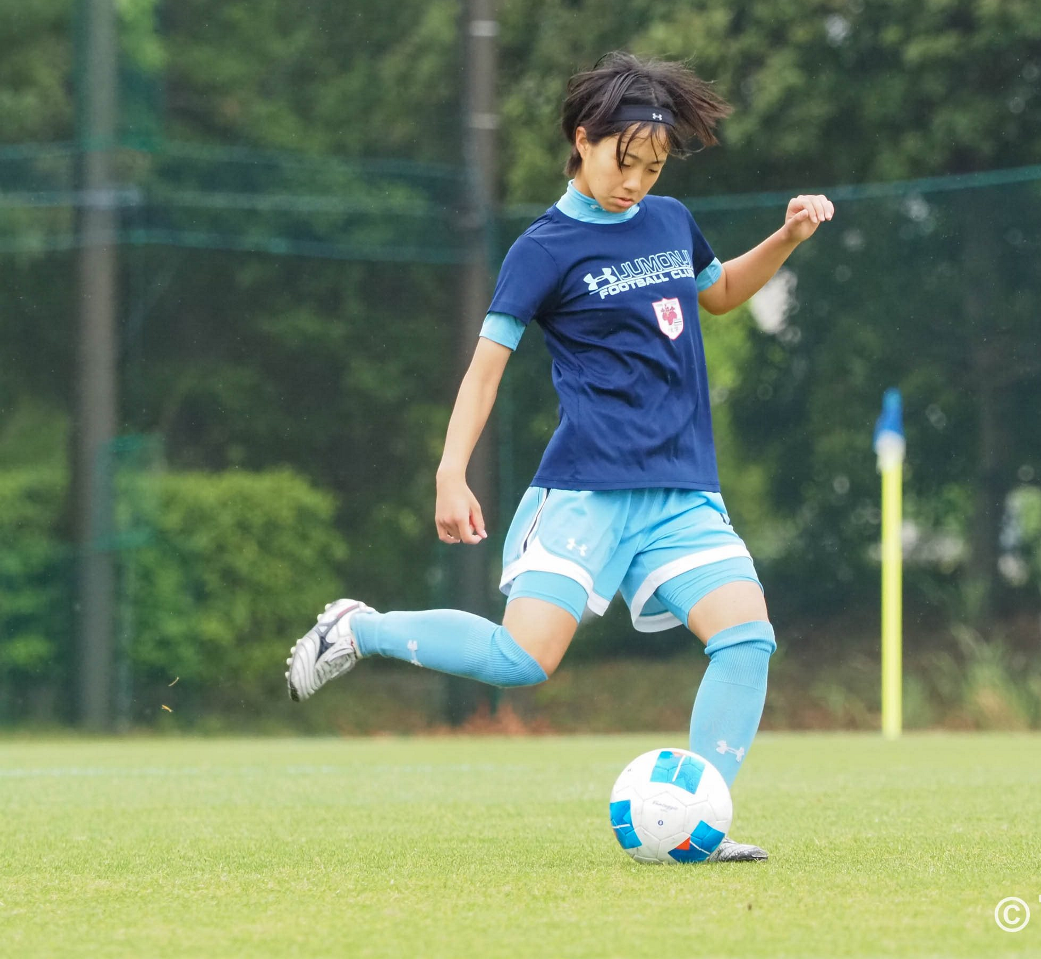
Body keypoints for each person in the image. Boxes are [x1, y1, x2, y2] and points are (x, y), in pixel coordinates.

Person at [285, 50, 834, 862]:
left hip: (682, 492)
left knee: (747, 638)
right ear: (584, 139)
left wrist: (786, 238)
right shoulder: (542, 249)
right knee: (521, 661)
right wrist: (450, 471)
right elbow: (484, 372)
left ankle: (700, 820)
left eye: (651, 167)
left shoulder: (671, 219)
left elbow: (716, 295)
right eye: (625, 161)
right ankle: (361, 630)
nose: (637, 182)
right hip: (586, 491)